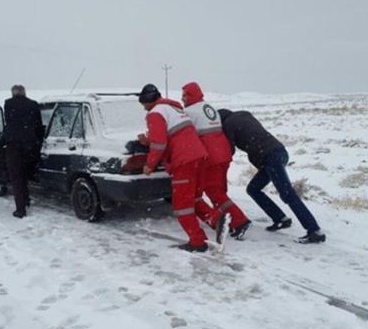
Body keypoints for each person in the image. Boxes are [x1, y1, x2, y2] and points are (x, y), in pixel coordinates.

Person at [218, 109, 326, 244]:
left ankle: (314, 230)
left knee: (287, 194)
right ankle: (280, 219)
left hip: (269, 157)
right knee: (253, 189)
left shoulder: (228, 124)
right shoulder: (244, 114)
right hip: (279, 152)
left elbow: (229, 149)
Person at [137, 84, 210, 252]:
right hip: (199, 155)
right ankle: (218, 221)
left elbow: (160, 144)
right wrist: (147, 140)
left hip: (183, 160)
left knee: (182, 205)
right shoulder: (172, 108)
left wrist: (149, 165)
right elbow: (172, 134)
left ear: (148, 101)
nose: (143, 108)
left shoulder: (155, 113)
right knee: (194, 199)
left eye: (143, 104)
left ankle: (197, 242)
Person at [181, 82, 251, 240]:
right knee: (219, 190)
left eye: (185, 95)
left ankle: (239, 222)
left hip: (210, 156)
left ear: (191, 95)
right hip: (223, 153)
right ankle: (227, 219)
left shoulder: (189, 112)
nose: (182, 98)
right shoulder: (209, 107)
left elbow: (185, 134)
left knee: (214, 191)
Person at [3, 85, 44, 218]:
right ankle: (26, 200)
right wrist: (37, 142)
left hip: (14, 146)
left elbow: (8, 123)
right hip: (30, 145)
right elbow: (39, 125)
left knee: (16, 177)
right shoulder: (33, 105)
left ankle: (20, 209)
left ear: (13, 93)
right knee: (25, 174)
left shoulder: (8, 104)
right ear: (24, 92)